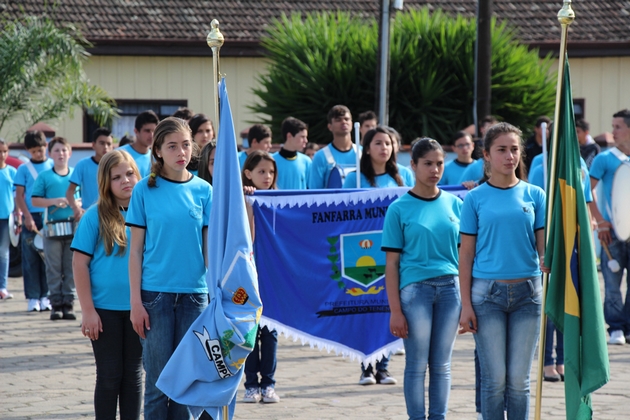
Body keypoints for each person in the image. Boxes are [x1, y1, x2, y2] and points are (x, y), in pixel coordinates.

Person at [458, 122, 547, 420]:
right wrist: (465, 305)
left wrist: (547, 258)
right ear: (486, 154)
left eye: (514, 149)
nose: (509, 156)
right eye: (501, 150)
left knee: (519, 382)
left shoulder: (535, 194)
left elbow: (543, 247)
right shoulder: (474, 198)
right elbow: (465, 254)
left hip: (529, 295)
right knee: (494, 381)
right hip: (487, 296)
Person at [127, 117, 212, 419]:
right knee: (158, 385)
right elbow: (135, 252)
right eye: (172, 146)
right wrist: (136, 303)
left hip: (195, 297)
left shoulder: (204, 190)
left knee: (186, 385)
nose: (181, 152)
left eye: (186, 145)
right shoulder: (143, 190)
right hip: (155, 297)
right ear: (158, 151)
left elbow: (209, 251)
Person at [383, 138, 462, 419]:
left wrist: (468, 303)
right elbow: (391, 264)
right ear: (413, 165)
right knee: (416, 365)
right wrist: (395, 311)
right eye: (428, 163)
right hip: (415, 292)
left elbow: (465, 258)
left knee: (442, 365)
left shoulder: (455, 204)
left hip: (451, 290)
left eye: (439, 163)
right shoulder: (398, 209)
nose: (435, 169)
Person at [71, 150, 143, 420]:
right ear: (105, 182)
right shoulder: (94, 216)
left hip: (139, 308)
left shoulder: (147, 213)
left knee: (133, 375)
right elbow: (79, 264)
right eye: (117, 177)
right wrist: (88, 311)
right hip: (104, 311)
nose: (126, 180)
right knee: (109, 375)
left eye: (130, 174)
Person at [240, 150, 281, 404]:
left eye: (271, 172)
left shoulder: (279, 201)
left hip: (273, 279)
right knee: (250, 332)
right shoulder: (243, 200)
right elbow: (248, 238)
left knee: (270, 333)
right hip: (249, 277)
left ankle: (269, 384)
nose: (267, 176)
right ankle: (250, 384)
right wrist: (248, 204)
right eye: (261, 171)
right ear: (248, 173)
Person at [588, 109, 630, 345]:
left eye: (618, 127)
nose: (613, 131)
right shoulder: (604, 158)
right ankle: (615, 327)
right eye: (613, 126)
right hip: (612, 232)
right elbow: (588, 190)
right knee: (612, 282)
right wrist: (600, 220)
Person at [32, 137, 77, 321]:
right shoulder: (44, 176)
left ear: (70, 153)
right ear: (50, 154)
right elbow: (35, 200)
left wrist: (76, 203)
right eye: (57, 150)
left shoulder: (75, 174)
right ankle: (55, 304)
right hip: (52, 229)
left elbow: (82, 197)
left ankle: (69, 303)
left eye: (64, 150)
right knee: (53, 268)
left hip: (73, 227)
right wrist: (54, 201)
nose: (61, 154)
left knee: (71, 267)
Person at [15, 131, 53, 312]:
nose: (38, 154)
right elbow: (19, 196)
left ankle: (46, 296)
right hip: (31, 216)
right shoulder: (23, 169)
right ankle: (33, 297)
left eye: (41, 149)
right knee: (30, 258)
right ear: (28, 151)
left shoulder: (52, 165)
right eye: (34, 151)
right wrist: (27, 217)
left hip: (50, 216)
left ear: (46, 146)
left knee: (49, 258)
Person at [67, 128, 114, 222]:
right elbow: (70, 191)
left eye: (109, 144)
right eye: (102, 143)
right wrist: (76, 208)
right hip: (89, 215)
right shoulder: (83, 164)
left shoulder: (115, 166)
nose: (105, 147)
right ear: (93, 145)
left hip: (111, 215)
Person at [309, 105, 361, 189]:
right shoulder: (320, 156)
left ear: (352, 123)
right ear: (330, 126)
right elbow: (315, 191)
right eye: (338, 120)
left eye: (346, 119)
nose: (344, 122)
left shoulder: (362, 153)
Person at [0, 139, 18, 300]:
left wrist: (18, 215)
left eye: (4, 151)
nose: (2, 155)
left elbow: (17, 196)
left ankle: (2, 287)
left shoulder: (12, 172)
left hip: (7, 218)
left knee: (3, 252)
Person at [273, 117, 311, 190]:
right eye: (302, 137)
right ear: (289, 136)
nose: (306, 141)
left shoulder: (307, 161)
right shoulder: (272, 161)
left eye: (306, 137)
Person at [119, 110, 159, 178]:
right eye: (147, 131)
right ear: (136, 131)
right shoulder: (120, 154)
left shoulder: (156, 158)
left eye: (154, 131)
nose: (151, 135)